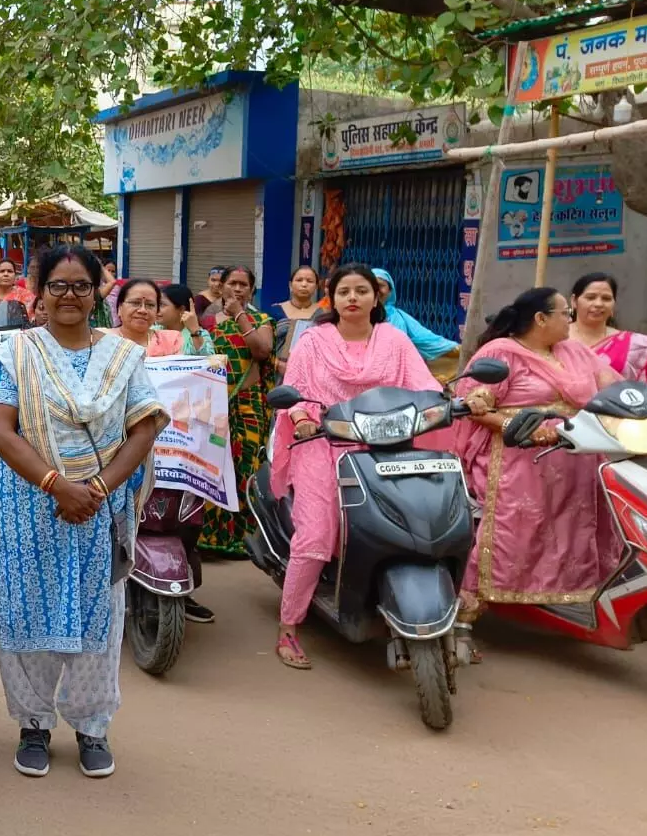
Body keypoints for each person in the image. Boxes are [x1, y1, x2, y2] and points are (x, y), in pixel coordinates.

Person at [0, 245, 165, 779]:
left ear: (98, 291)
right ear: (40, 291)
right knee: (25, 615)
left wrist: (96, 487)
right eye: (58, 285)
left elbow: (145, 426)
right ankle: (32, 724)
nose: (70, 296)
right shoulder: (16, 353)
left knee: (98, 619)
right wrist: (58, 485)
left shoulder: (123, 357)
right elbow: (0, 429)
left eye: (81, 285)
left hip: (98, 508)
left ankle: (91, 727)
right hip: (29, 506)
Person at [268, 264, 483, 668]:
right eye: (344, 291)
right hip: (325, 445)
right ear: (331, 297)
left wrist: (452, 402)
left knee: (431, 518)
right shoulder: (314, 341)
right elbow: (297, 392)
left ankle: (448, 617)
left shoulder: (395, 339)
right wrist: (301, 418)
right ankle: (288, 627)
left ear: (376, 297)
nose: (353, 298)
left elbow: (425, 386)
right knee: (315, 537)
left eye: (361, 291)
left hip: (388, 446)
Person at [455, 287, 621, 655]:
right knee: (510, 534)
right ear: (541, 319)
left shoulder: (574, 351)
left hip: (575, 457)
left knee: (570, 533)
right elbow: (476, 406)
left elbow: (614, 387)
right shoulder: (500, 353)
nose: (571, 319)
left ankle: (554, 605)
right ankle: (466, 617)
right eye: (565, 313)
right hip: (518, 460)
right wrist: (528, 430)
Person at [116, 277, 216, 622]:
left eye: (150, 304)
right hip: (119, 447)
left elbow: (206, 370)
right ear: (119, 308)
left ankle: (183, 585)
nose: (143, 310)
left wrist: (197, 330)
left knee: (186, 516)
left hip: (174, 447)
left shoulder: (174, 340)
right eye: (135, 303)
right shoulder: (103, 342)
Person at [199, 265, 274, 556]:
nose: (238, 289)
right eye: (233, 283)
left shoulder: (261, 319)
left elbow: (262, 351)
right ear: (222, 287)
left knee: (247, 468)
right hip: (215, 406)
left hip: (248, 406)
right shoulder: (207, 322)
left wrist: (240, 314)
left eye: (244, 285)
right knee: (215, 467)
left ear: (252, 290)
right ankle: (213, 538)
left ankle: (246, 538)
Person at [571, 271, 647, 380]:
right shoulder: (554, 339)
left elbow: (642, 391)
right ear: (574, 301)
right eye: (590, 297)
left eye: (606, 298)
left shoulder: (637, 345)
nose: (598, 304)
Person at [374, 268, 458, 365]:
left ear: (390, 291)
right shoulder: (359, 315)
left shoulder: (400, 316)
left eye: (381, 286)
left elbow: (426, 338)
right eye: (373, 286)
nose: (377, 290)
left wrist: (457, 349)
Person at [271, 265, 320, 382]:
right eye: (299, 280)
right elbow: (265, 347)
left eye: (310, 281)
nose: (304, 284)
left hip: (313, 375)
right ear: (290, 285)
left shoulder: (323, 313)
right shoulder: (275, 311)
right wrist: (277, 364)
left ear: (316, 287)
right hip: (279, 374)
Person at [153, 282, 218, 357]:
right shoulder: (152, 331)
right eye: (156, 304)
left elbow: (207, 360)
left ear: (181, 309)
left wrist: (194, 332)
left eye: (162, 305)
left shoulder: (200, 334)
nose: (156, 309)